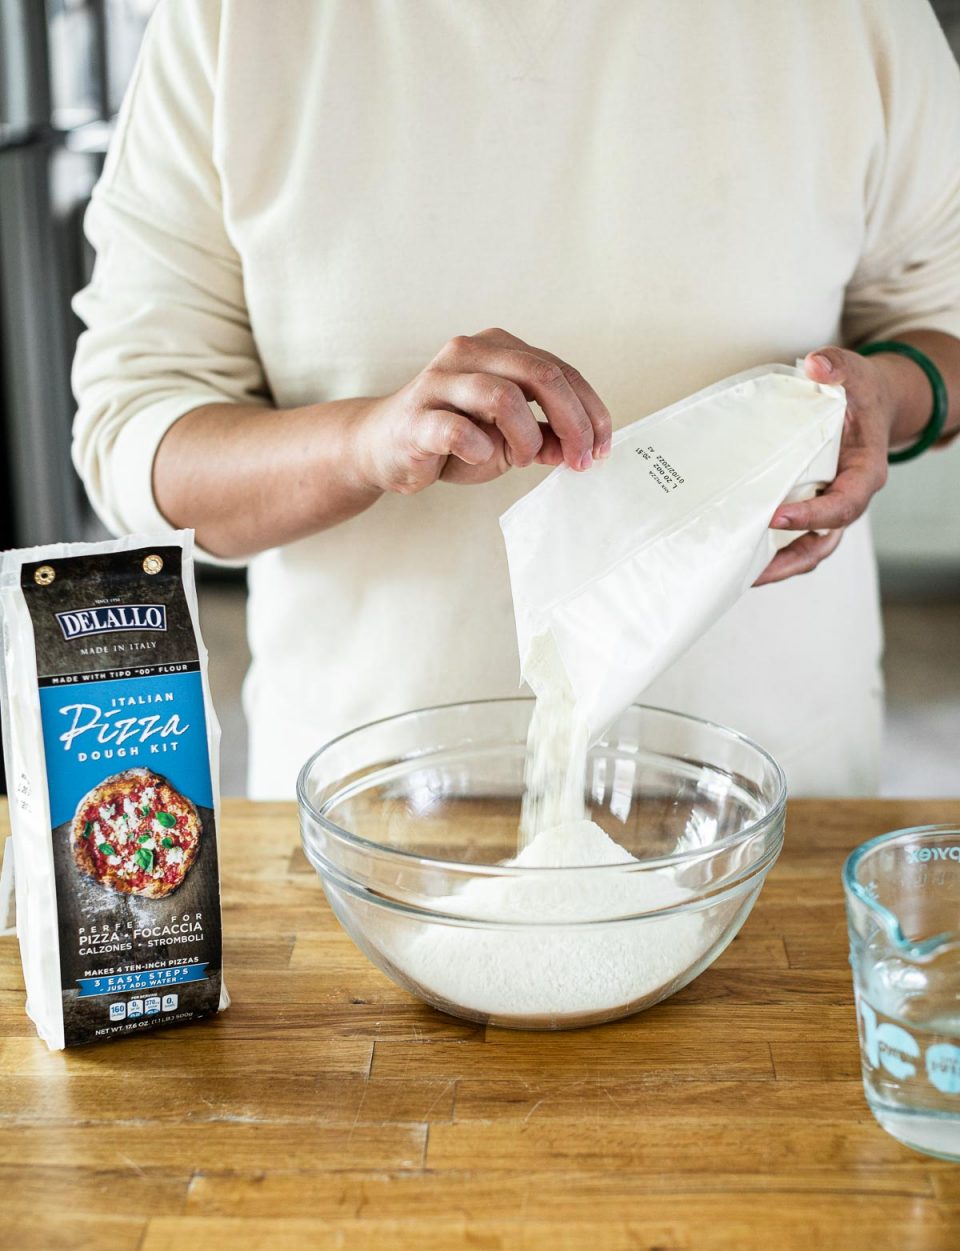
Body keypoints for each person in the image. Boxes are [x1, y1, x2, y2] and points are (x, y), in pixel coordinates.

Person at [72, 0, 960, 799]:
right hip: (371, 801)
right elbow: (137, 442)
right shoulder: (233, 24)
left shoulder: (851, 18)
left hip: (771, 791)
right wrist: (363, 445)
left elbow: (944, 329)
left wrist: (891, 390)